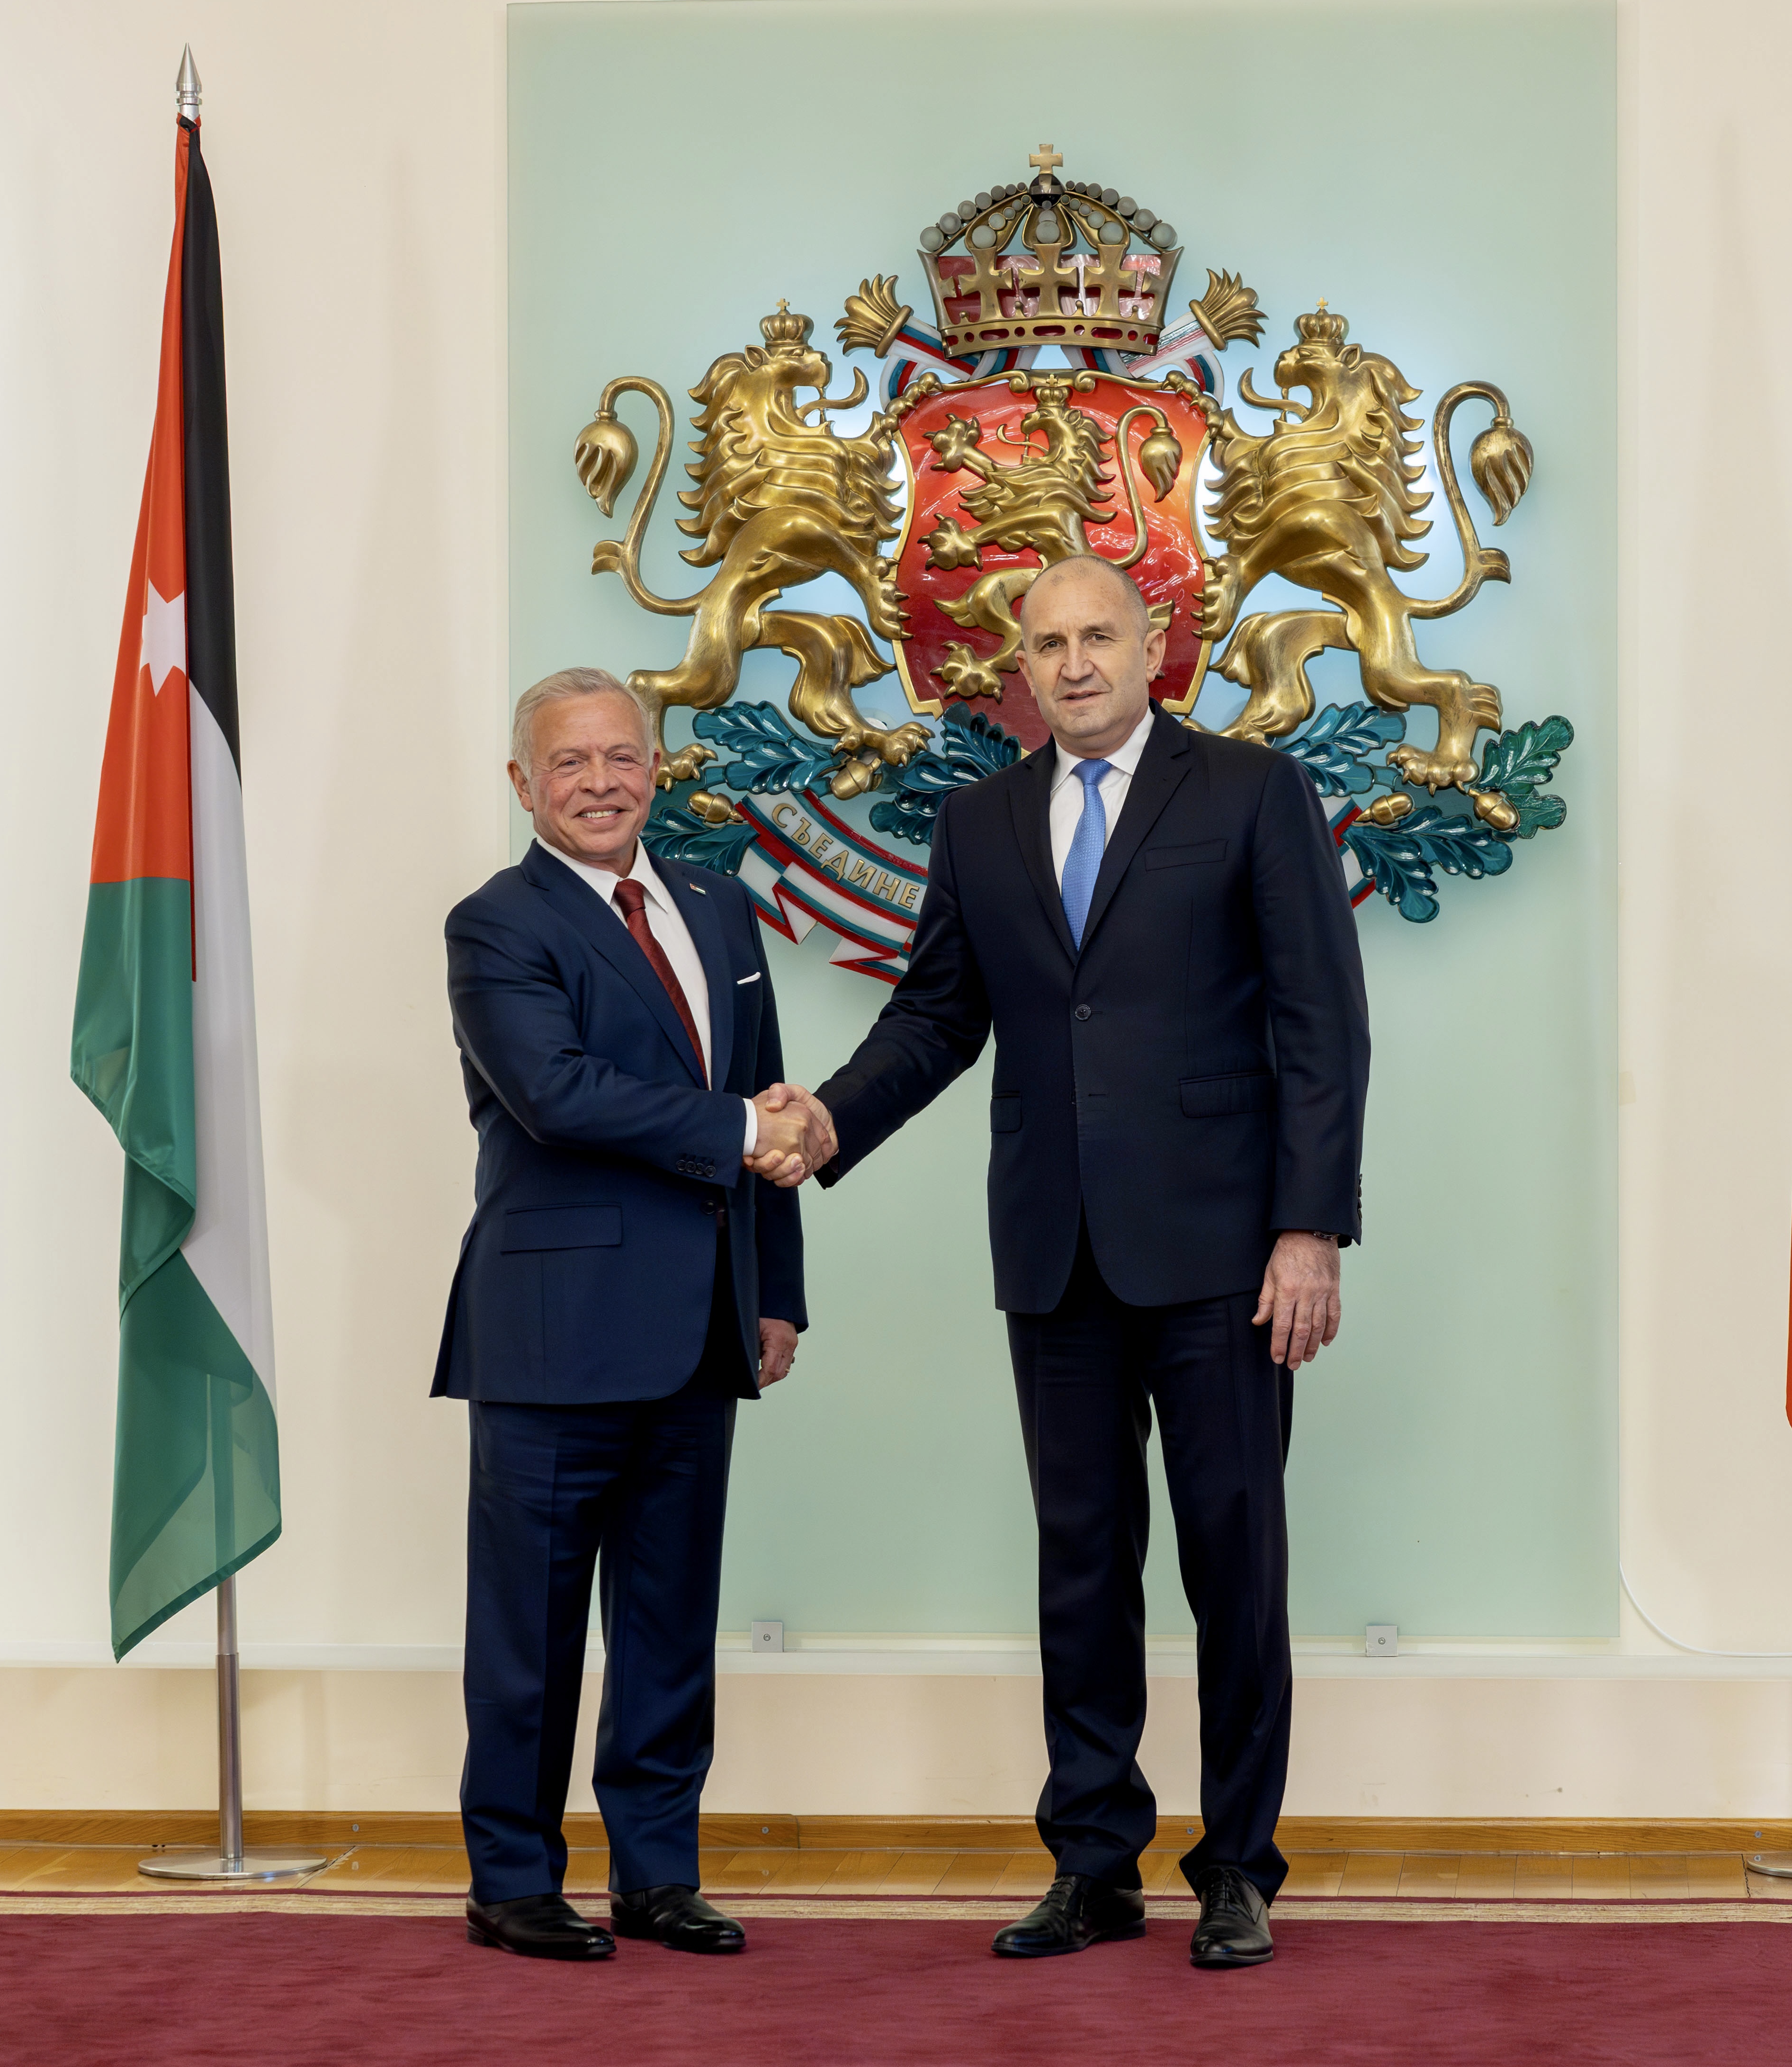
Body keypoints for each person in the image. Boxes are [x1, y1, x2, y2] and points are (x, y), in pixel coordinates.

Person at [771, 554, 1371, 1971]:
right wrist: (831, 1117)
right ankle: (1094, 1863)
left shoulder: (1252, 791)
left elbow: (1321, 1022)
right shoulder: (979, 821)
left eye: (1101, 635)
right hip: (1054, 1253)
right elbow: (936, 1018)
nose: (1077, 662)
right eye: (1050, 643)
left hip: (1226, 1253)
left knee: (1235, 1566)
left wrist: (1309, 1229)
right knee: (1082, 1566)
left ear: (1155, 646)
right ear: (1021, 667)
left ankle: (1238, 1867)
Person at [435, 667, 817, 1961]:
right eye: (569, 762)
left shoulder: (717, 905)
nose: (599, 783)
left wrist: (775, 1291)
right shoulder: (497, 924)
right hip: (554, 1333)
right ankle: (512, 1880)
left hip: (704, 1329)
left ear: (657, 768)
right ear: (522, 783)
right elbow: (557, 1094)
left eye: (620, 757)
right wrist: (742, 1127)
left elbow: (767, 1104)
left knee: (668, 1626)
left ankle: (658, 1874)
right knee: (530, 1637)